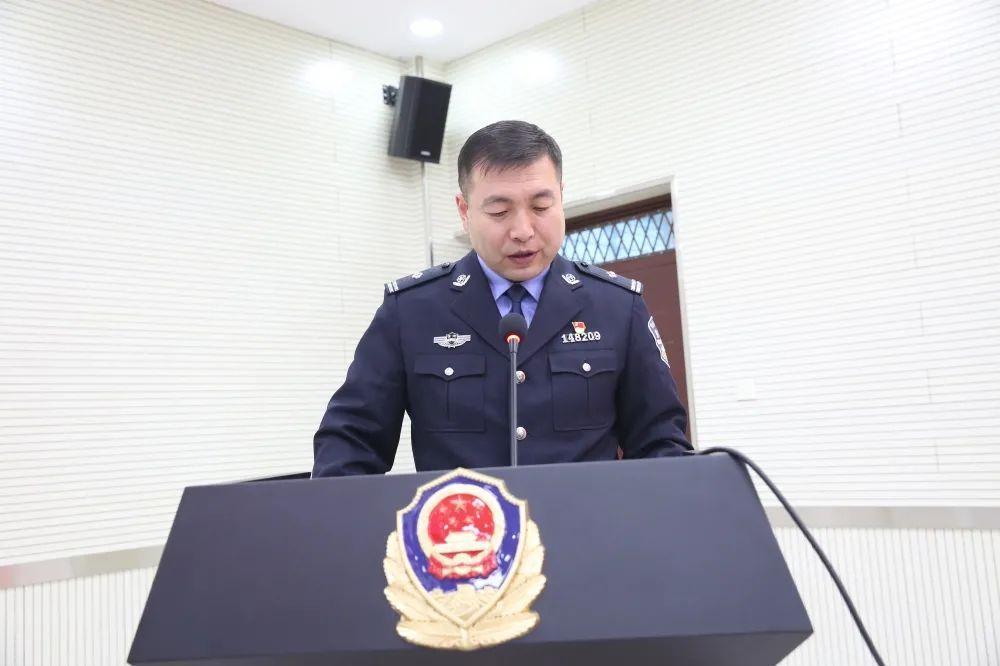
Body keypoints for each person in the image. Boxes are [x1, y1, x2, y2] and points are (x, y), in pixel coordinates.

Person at [312, 120, 690, 477]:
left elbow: (660, 443)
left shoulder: (616, 306)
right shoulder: (411, 311)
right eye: (499, 211)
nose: (523, 230)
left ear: (561, 198)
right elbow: (350, 443)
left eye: (541, 207)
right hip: (463, 525)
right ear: (464, 211)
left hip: (583, 523)